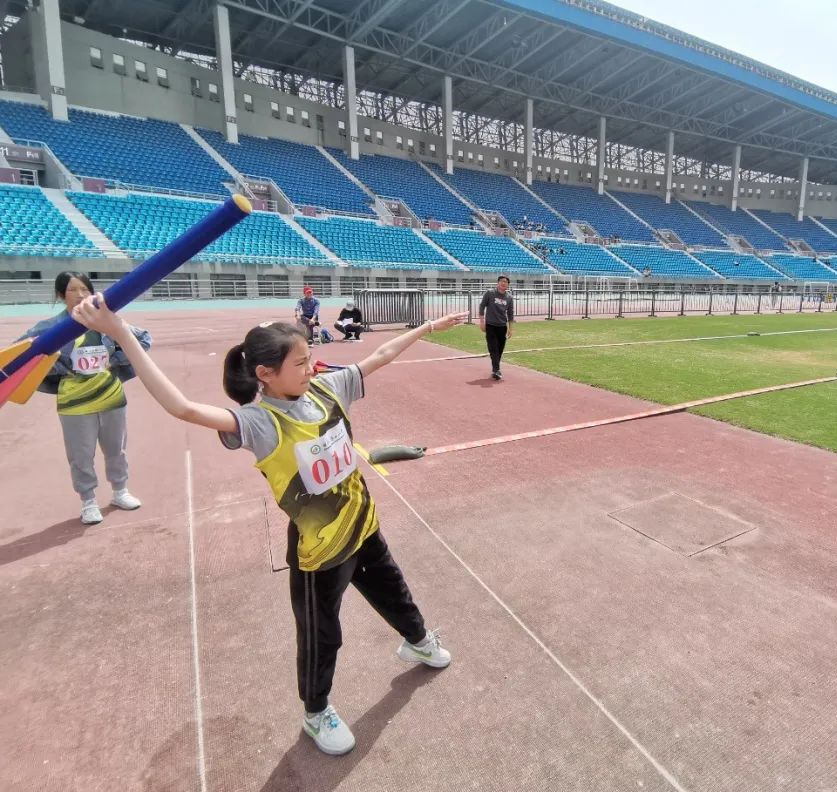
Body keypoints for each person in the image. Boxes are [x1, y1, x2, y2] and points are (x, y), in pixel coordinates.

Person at [70, 294, 468, 756]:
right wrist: (120, 333)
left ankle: (417, 641)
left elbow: (380, 354)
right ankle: (316, 712)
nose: (311, 366)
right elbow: (182, 408)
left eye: (310, 356)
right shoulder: (259, 423)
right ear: (265, 373)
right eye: (300, 362)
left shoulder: (327, 388)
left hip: (363, 525)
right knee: (321, 635)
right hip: (320, 552)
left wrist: (428, 328)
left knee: (395, 590)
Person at [17, 272, 151, 524]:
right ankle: (88, 501)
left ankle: (120, 491)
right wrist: (56, 366)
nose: (80, 295)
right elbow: (21, 356)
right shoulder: (48, 328)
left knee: (116, 449)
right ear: (61, 295)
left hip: (110, 396)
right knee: (81, 455)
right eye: (72, 290)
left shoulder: (106, 321)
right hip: (75, 402)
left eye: (84, 289)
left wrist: (114, 360)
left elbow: (144, 339)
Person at [478, 275, 514, 380]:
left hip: (502, 326)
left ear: (508, 285)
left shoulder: (509, 298)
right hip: (490, 325)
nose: (503, 283)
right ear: (498, 283)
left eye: (506, 282)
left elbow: (510, 314)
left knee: (500, 350)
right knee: (493, 348)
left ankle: (495, 368)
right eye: (502, 281)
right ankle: (496, 370)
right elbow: (482, 306)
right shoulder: (490, 293)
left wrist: (510, 328)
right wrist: (482, 321)